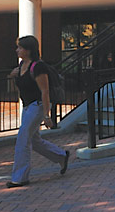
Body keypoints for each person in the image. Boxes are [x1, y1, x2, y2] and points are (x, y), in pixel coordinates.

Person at [7, 36, 69, 188]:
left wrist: (47, 115)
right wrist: (12, 75)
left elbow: (45, 91)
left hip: (38, 106)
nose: (17, 50)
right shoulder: (22, 65)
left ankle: (20, 177)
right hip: (27, 106)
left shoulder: (38, 67)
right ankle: (61, 156)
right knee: (34, 140)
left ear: (28, 50)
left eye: (20, 48)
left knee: (23, 138)